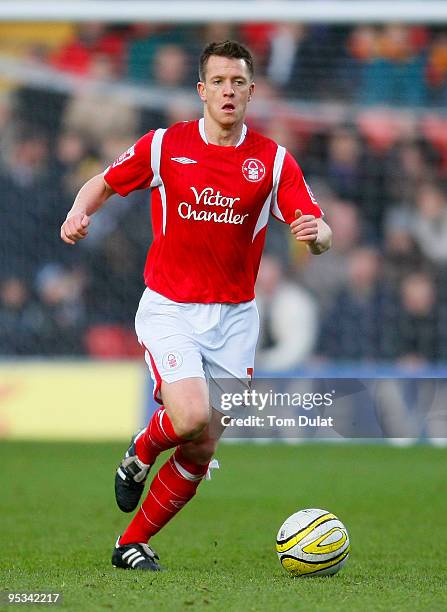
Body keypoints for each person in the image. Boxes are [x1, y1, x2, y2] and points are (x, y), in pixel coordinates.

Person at [60, 40, 332, 571]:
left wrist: (316, 233)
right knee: (186, 416)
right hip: (171, 308)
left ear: (252, 92)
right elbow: (103, 182)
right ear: (201, 90)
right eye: (219, 82)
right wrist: (78, 211)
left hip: (235, 319)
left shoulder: (273, 162)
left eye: (238, 83)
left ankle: (129, 544)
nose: (228, 91)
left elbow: (318, 228)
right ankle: (140, 451)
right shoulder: (165, 146)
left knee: (202, 447)